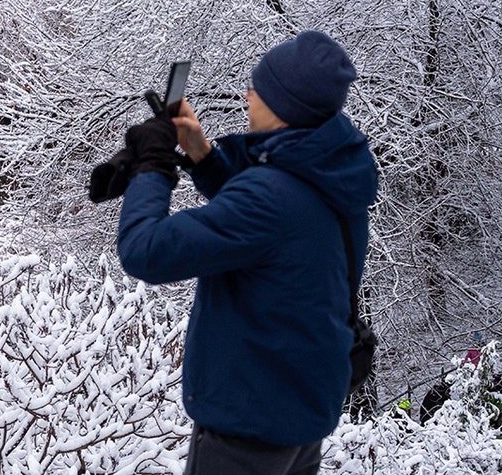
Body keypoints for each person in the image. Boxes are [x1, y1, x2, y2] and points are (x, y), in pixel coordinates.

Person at [111, 31, 378, 475]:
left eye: (258, 88)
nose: (247, 95)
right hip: (301, 416)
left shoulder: (269, 199)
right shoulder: (335, 174)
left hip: (247, 430)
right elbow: (270, 224)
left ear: (285, 106)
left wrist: (152, 166)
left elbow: (144, 250)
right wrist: (202, 155)